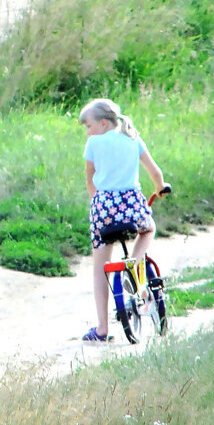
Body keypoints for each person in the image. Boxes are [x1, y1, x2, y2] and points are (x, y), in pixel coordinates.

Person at [79, 98, 167, 342]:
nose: (87, 131)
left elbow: (90, 181)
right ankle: (134, 262)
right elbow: (156, 173)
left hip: (103, 208)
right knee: (148, 229)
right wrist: (160, 188)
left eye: (88, 126)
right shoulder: (132, 138)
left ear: (103, 123)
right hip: (132, 206)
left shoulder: (93, 143)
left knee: (101, 266)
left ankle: (102, 329)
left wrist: (102, 204)